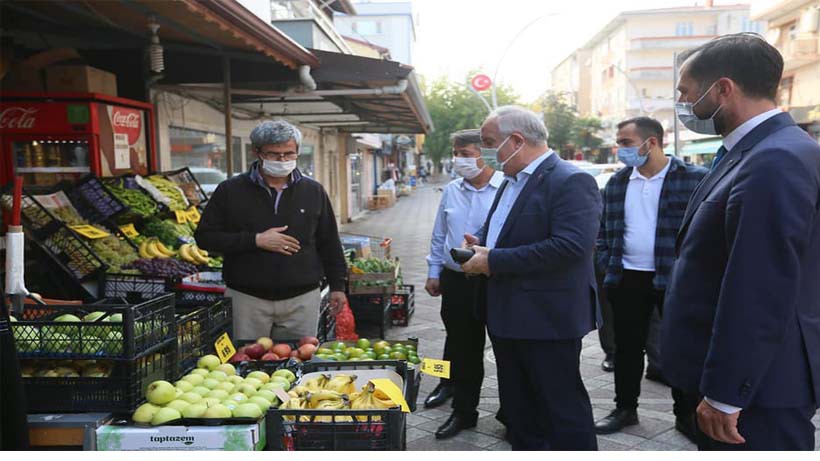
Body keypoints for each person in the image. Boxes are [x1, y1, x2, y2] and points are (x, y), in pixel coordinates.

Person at [662, 33, 820, 450]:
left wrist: (726, 392)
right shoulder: (753, 151)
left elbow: (759, 285)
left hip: (756, 393)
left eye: (686, 92)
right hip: (748, 380)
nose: (682, 104)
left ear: (723, 89)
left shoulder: (775, 159)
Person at [461, 105, 601, 450]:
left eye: (490, 142)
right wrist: (483, 241)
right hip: (507, 314)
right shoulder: (511, 178)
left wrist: (493, 260)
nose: (485, 152)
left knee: (560, 410)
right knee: (520, 410)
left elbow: (570, 247)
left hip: (546, 317)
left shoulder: (570, 180)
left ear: (517, 140)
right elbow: (510, 228)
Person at [594, 117, 707, 441]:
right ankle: (625, 408)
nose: (620, 150)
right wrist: (607, 262)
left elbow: (707, 232)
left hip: (676, 280)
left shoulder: (694, 178)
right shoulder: (616, 183)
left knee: (679, 348)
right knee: (626, 348)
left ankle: (685, 414)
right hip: (626, 278)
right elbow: (603, 232)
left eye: (626, 143)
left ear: (651, 143)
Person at [195, 120, 348, 341]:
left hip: (302, 300)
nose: (283, 160)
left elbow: (329, 242)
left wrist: (338, 286)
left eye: (289, 154)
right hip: (246, 299)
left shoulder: (313, 191)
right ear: (257, 152)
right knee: (248, 363)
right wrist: (255, 240)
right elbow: (205, 237)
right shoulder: (230, 190)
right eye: (275, 154)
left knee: (298, 361)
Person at [424, 129, 504, 438]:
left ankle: (510, 411)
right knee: (459, 344)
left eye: (466, 154)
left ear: (486, 155)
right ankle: (456, 400)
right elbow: (438, 234)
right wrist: (433, 270)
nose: (459, 160)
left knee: (505, 347)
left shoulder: (506, 189)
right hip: (455, 280)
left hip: (493, 279)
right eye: (456, 153)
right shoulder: (452, 189)